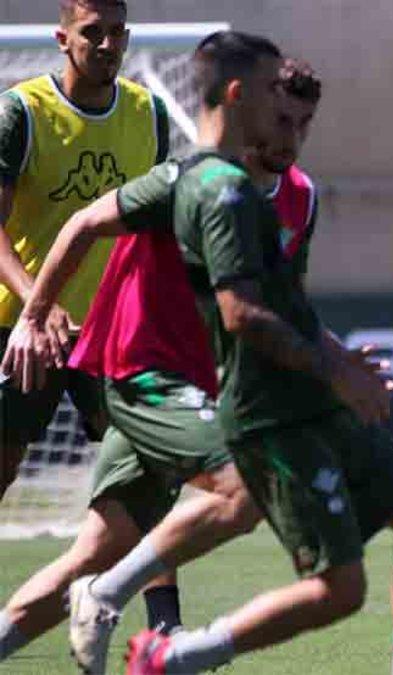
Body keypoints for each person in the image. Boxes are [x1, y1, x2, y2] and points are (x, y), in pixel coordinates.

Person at [5, 31, 393, 675]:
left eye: (303, 120)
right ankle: (154, 632)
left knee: (94, 552)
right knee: (247, 500)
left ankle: (106, 602)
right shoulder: (198, 181)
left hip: (215, 383)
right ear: (248, 100)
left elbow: (280, 305)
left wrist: (337, 360)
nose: (290, 131)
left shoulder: (297, 196)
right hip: (152, 379)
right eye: (279, 107)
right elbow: (238, 310)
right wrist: (35, 313)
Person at [0, 0, 183, 644]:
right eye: (92, 33)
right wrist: (37, 306)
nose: (107, 44)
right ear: (62, 38)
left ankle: (164, 628)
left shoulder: (149, 113)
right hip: (23, 331)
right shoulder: (20, 112)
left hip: (116, 332)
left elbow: (156, 223)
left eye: (117, 33)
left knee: (148, 470)